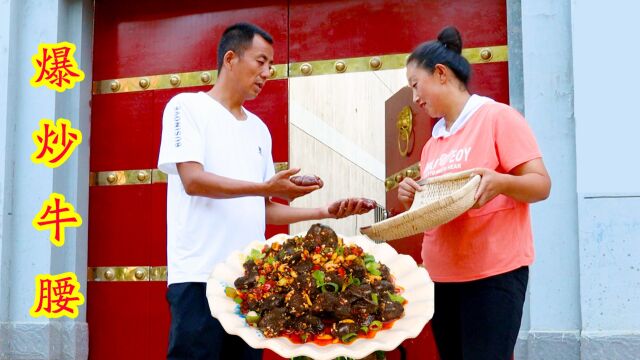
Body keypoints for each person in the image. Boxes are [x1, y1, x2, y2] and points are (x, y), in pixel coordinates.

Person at [157, 22, 371, 360]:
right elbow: (193, 180)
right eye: (261, 61)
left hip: (250, 283)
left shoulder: (259, 129)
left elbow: (264, 208)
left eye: (271, 65)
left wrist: (324, 212)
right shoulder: (186, 107)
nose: (268, 72)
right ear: (231, 58)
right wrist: (264, 187)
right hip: (199, 278)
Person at [398, 26, 551, 360]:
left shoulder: (497, 118)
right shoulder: (432, 145)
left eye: (414, 85)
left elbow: (541, 185)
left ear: (440, 73)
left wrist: (499, 182)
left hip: (492, 276)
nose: (414, 98)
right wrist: (413, 196)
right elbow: (437, 209)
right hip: (441, 278)